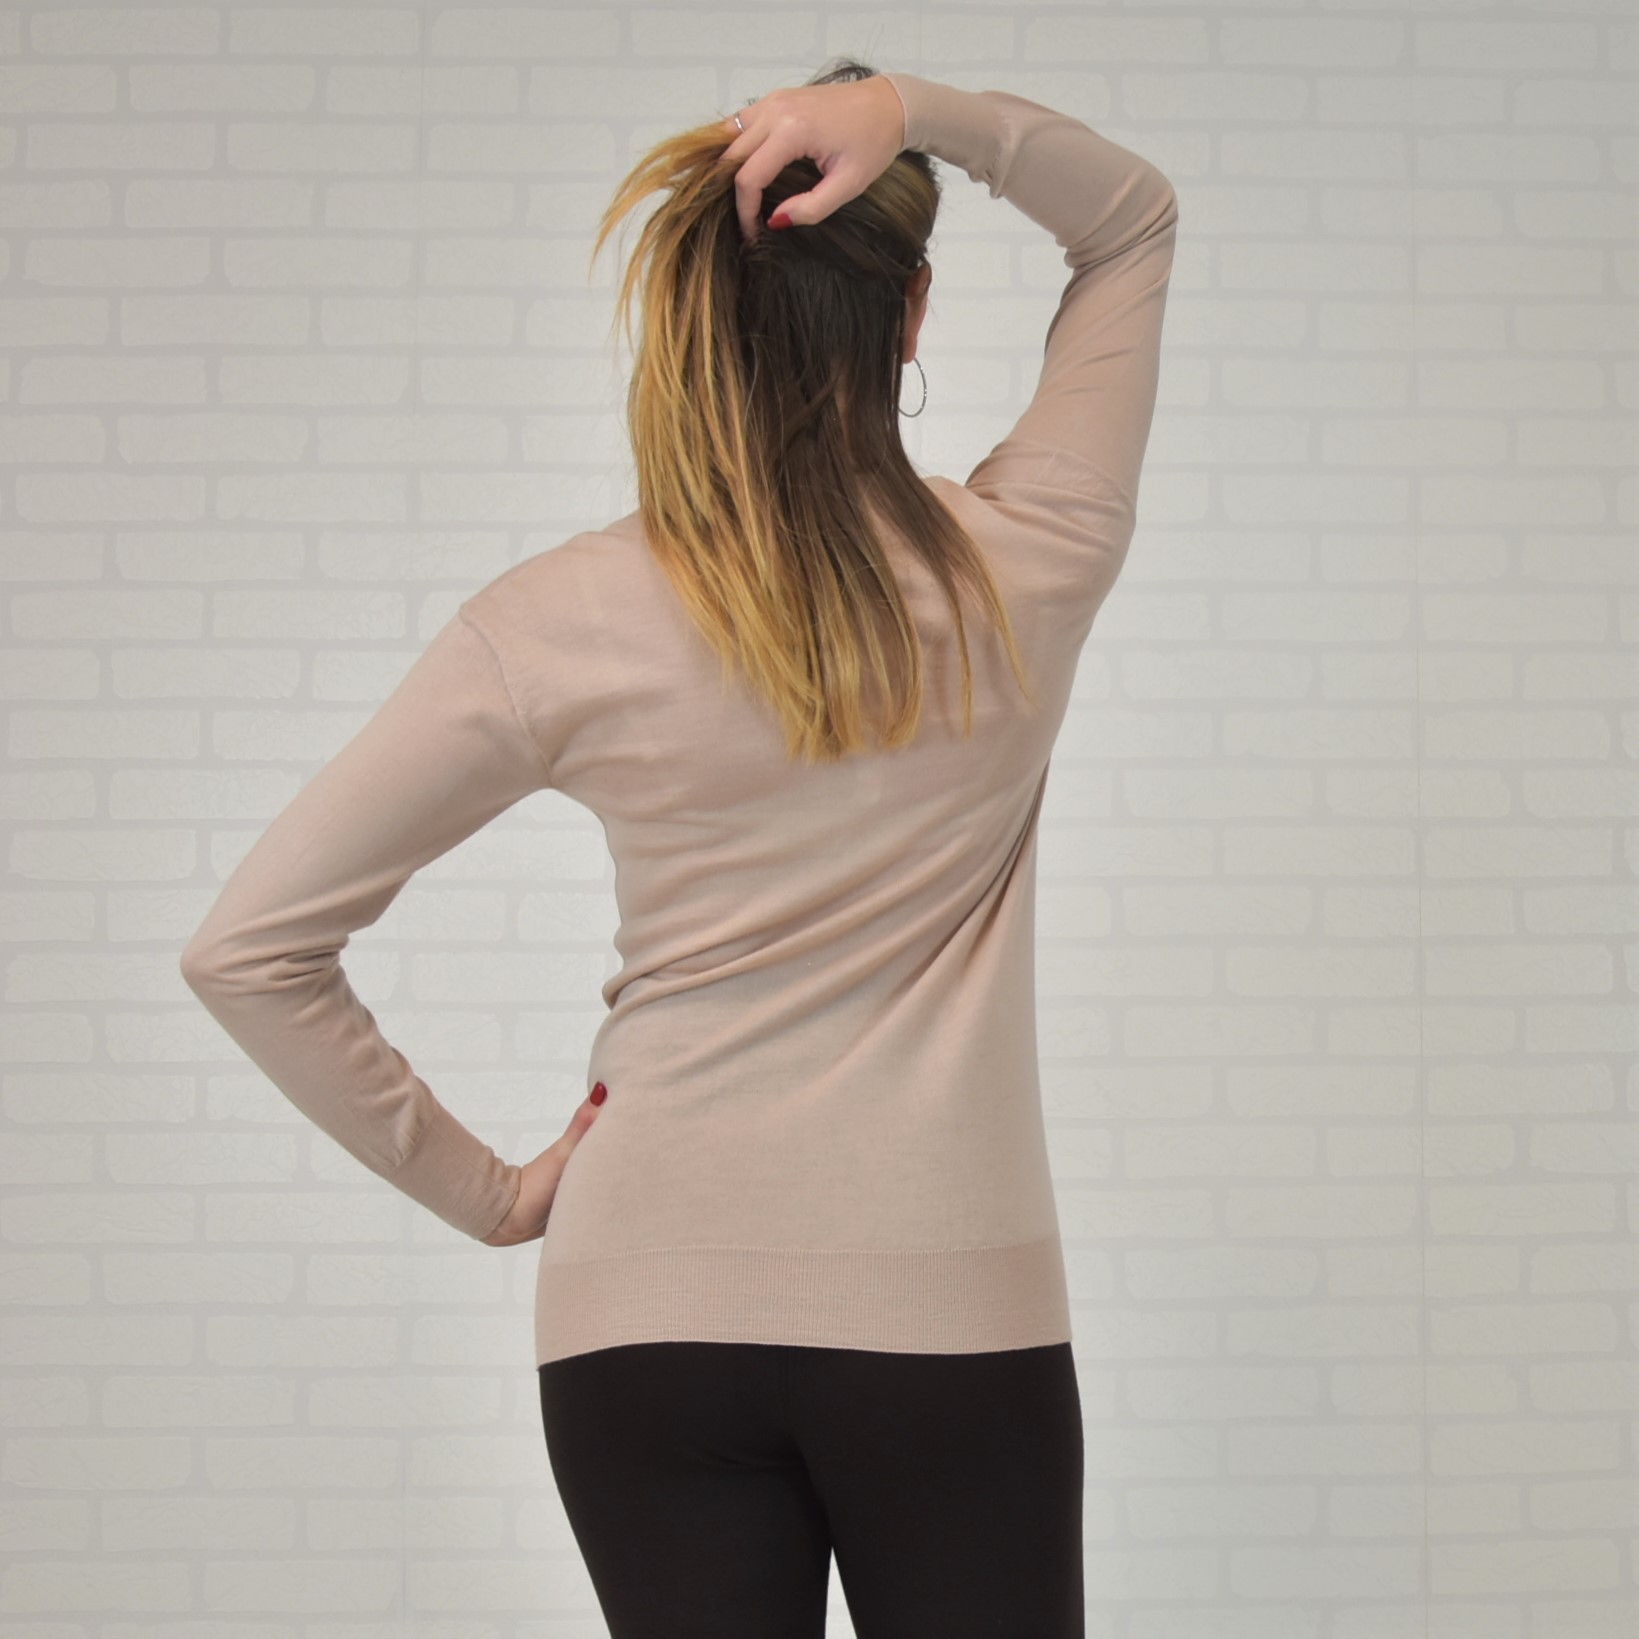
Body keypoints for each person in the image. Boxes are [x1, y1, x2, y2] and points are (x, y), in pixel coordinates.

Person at [180, 54, 1177, 1639]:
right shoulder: (1025, 564)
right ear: (912, 314)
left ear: (693, 318)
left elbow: (248, 951)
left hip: (642, 1320)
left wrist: (494, 1196)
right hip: (947, 1317)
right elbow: (1129, 224)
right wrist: (912, 110)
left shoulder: (554, 621)